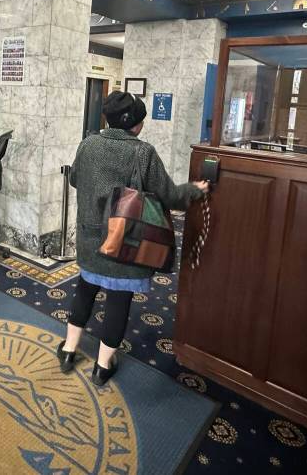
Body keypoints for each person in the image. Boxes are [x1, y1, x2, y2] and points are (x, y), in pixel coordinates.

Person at [58, 92, 209, 386]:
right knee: (117, 301)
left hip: (90, 236)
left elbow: (75, 178)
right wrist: (194, 189)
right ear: (135, 124)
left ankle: (68, 350)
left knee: (85, 290)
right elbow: (169, 196)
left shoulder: (88, 144)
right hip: (122, 242)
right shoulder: (143, 153)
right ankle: (103, 366)